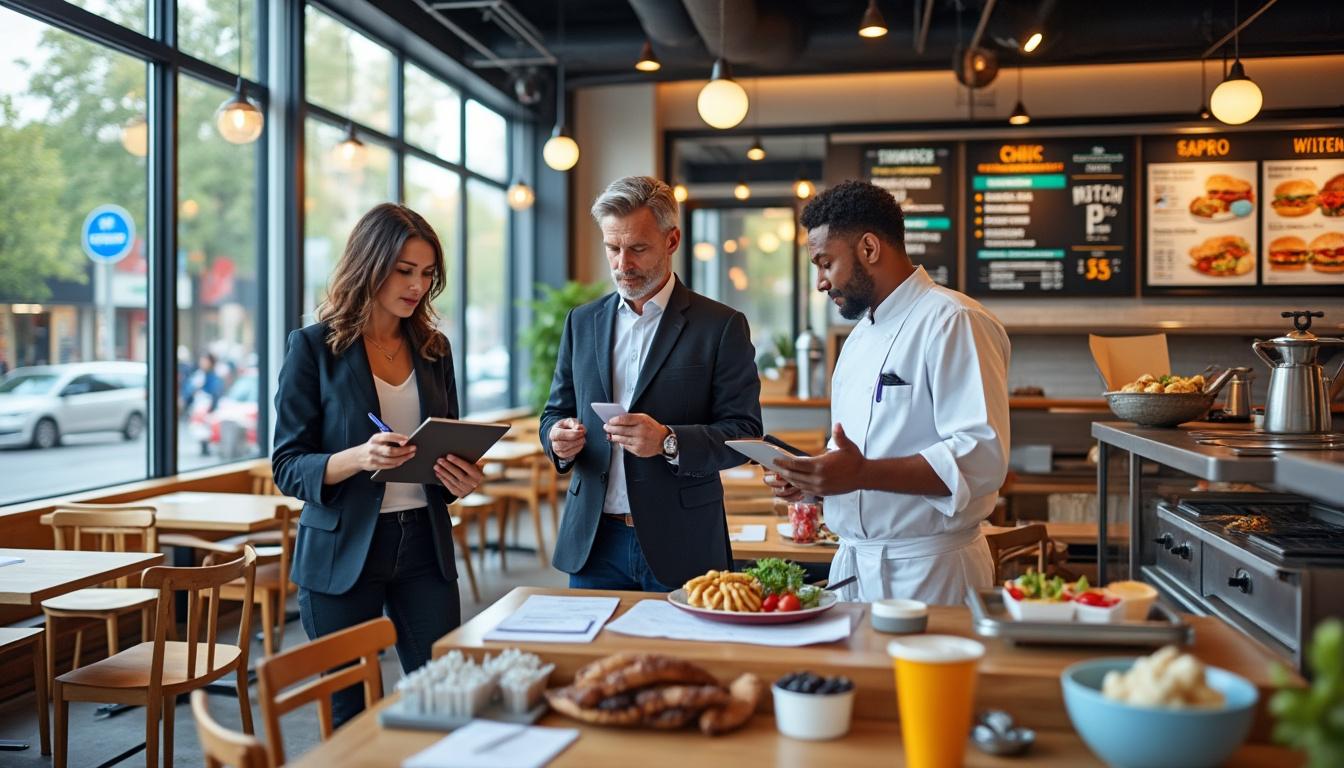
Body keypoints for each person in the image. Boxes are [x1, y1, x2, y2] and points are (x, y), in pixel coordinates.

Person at [271, 203, 485, 725]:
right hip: (342, 553)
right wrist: (357, 457)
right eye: (404, 271)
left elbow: (446, 444)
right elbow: (286, 465)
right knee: (351, 710)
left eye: (427, 273)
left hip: (423, 545)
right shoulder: (313, 348)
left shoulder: (435, 350)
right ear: (370, 264)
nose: (417, 286)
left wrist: (461, 478)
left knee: (444, 694)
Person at [766, 180, 1011, 605]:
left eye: (825, 263)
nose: (821, 282)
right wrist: (815, 481)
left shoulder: (954, 321)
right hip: (854, 568)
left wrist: (860, 473)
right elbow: (854, 454)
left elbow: (980, 458)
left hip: (931, 572)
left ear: (869, 248)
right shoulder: (858, 339)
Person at [541, 175, 763, 592]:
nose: (622, 264)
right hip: (594, 542)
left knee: (683, 658)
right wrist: (556, 437)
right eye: (612, 248)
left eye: (637, 248)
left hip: (683, 540)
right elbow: (554, 410)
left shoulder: (721, 326)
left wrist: (668, 441)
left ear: (672, 240)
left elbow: (746, 434)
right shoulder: (582, 321)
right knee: (593, 659)